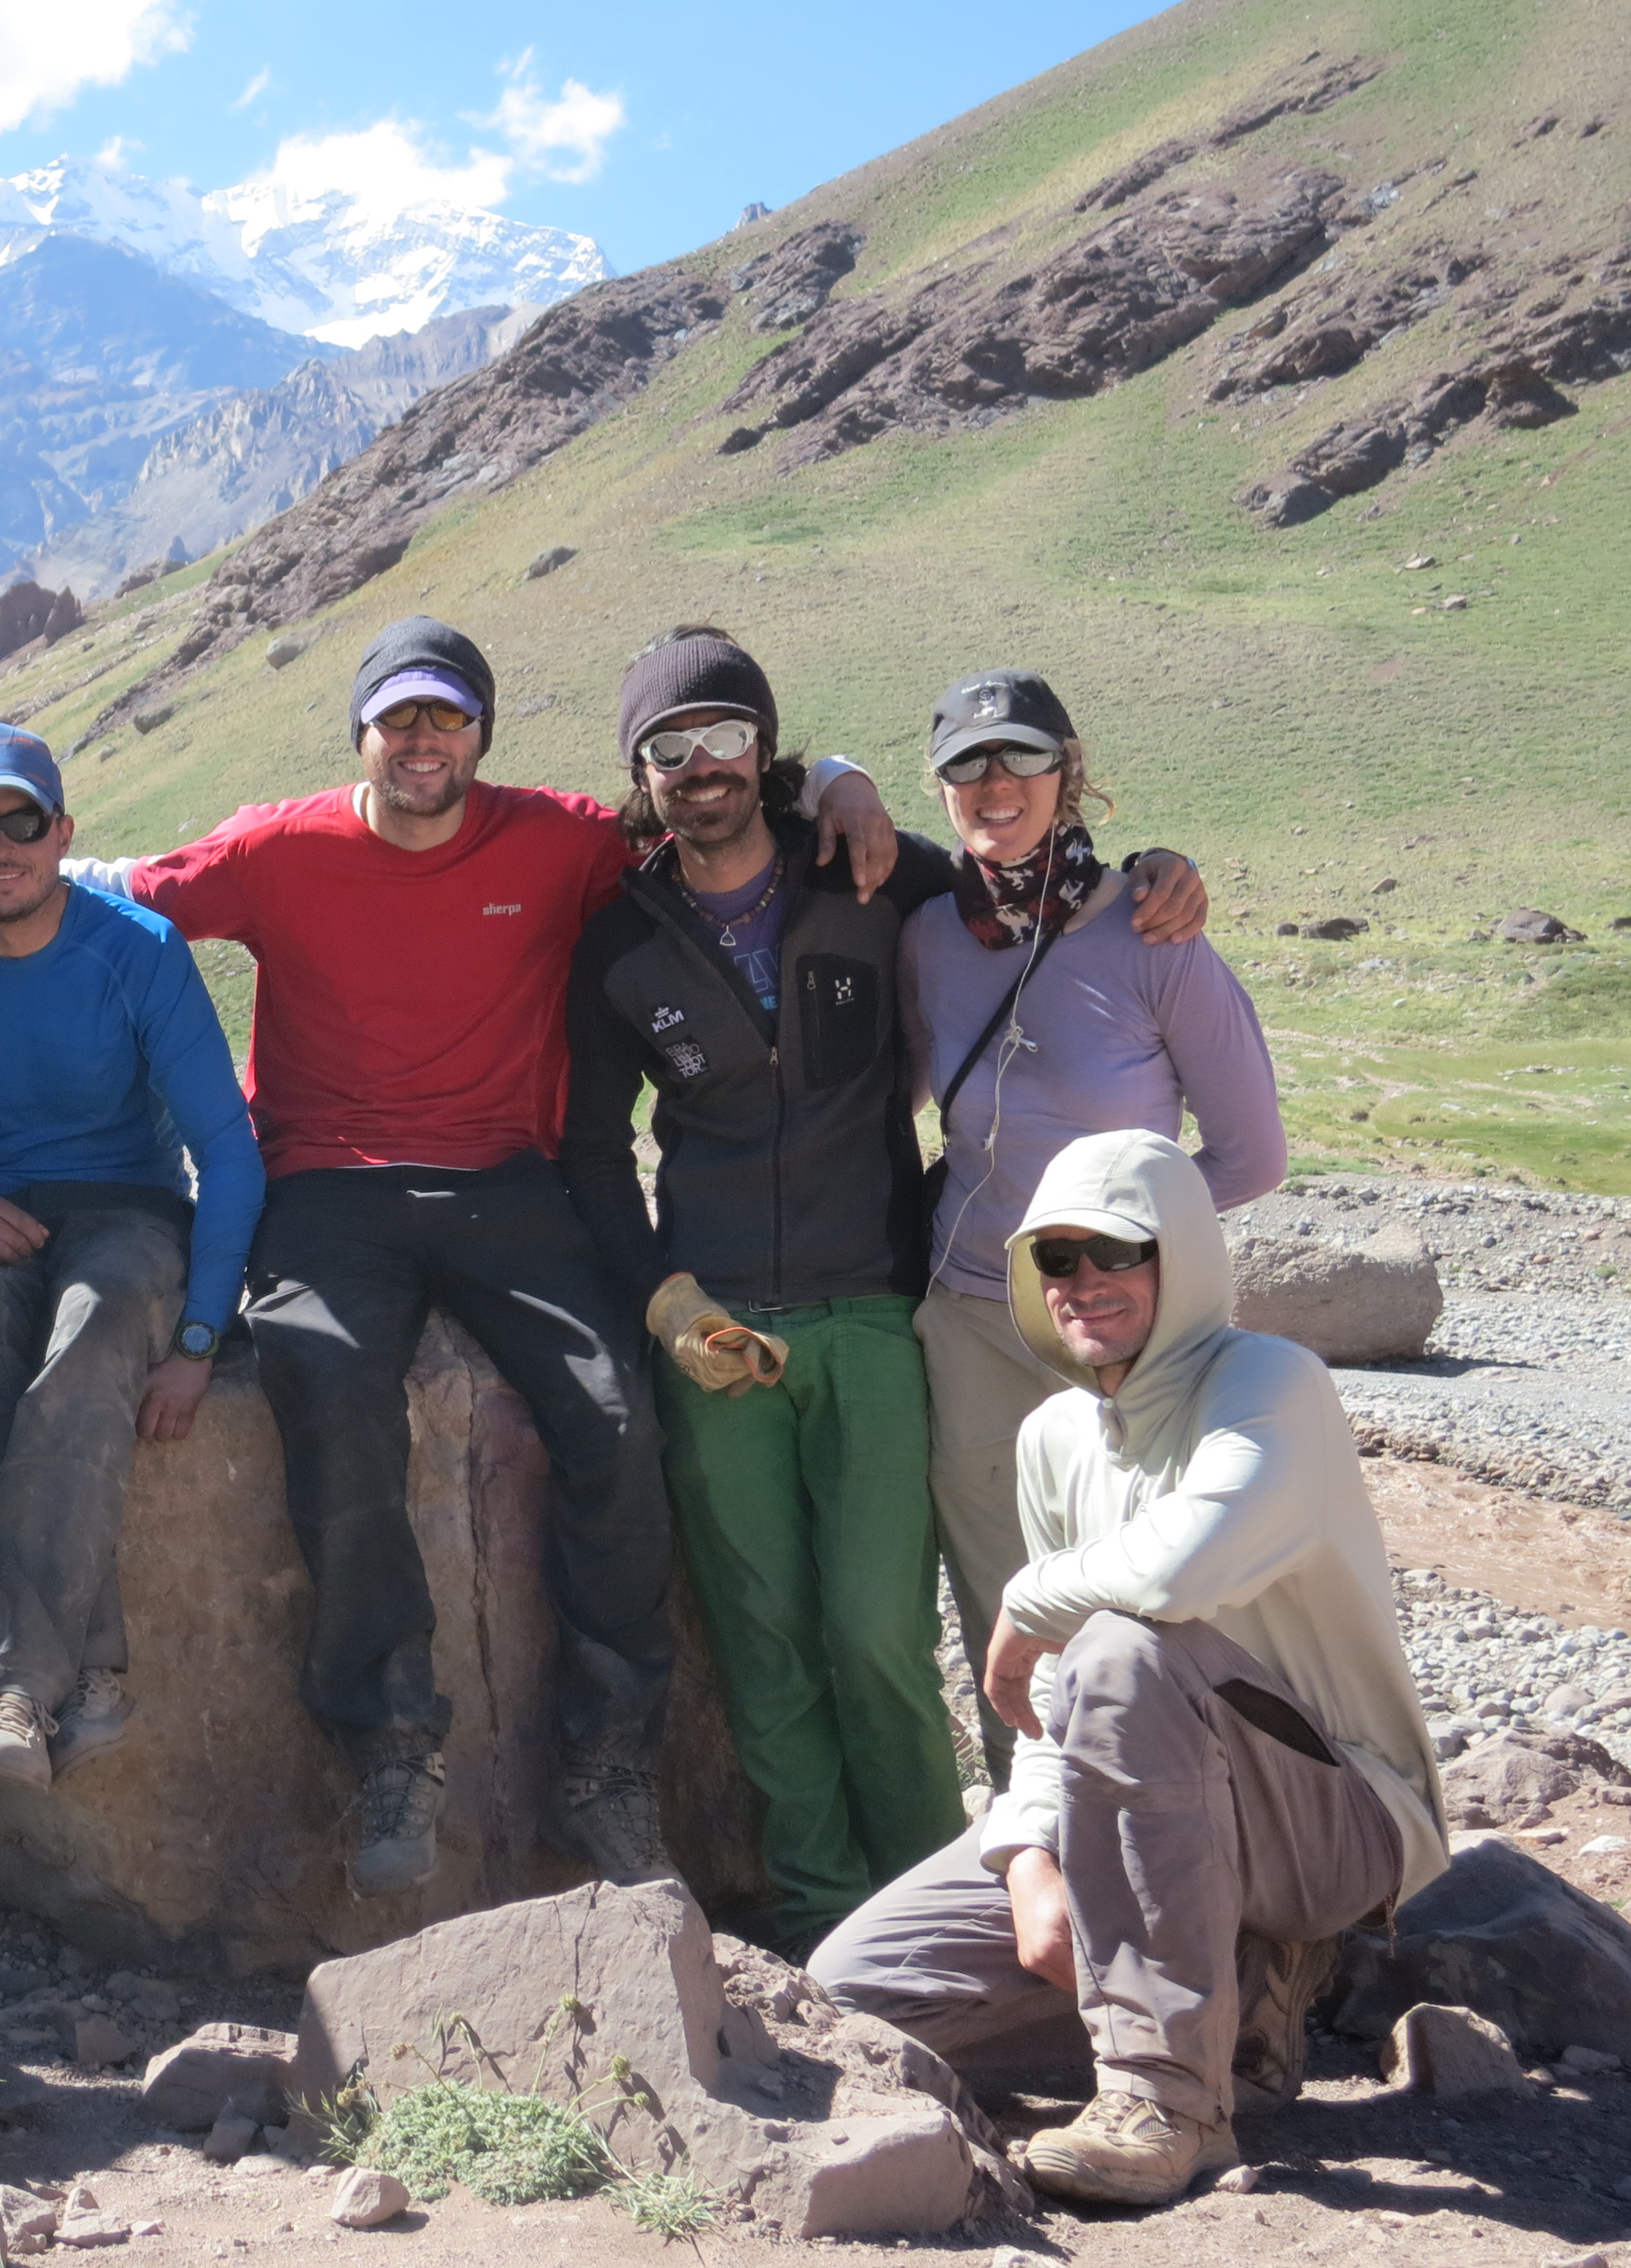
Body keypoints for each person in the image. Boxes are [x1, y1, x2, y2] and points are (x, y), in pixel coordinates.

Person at [0, 615, 904, 1898]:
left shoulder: (562, 840)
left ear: (481, 732)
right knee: (327, 1386)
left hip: (510, 1183)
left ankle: (609, 1759)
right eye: (398, 716)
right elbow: (117, 885)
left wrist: (843, 775)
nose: (423, 739)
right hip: (327, 1185)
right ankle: (389, 1746)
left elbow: (706, 811)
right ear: (359, 734)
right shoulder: (281, 847)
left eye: (447, 716)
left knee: (613, 1413)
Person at [563, 627, 1210, 1957]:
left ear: (765, 748)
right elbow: (586, 1148)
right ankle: (819, 1915)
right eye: (670, 747)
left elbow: (1028, 872)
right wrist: (664, 1299)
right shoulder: (617, 939)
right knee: (764, 1644)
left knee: (875, 1635)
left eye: (726, 736)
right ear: (642, 772)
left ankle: (936, 1908)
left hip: (871, 1310)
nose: (701, 765)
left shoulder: (869, 875)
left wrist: (1156, 870)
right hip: (715, 1328)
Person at [811, 1131, 1445, 2208]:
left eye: (1117, 1251)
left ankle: (1169, 2105)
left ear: (1181, 1258)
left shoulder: (1269, 1384)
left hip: (1337, 1821)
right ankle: (1231, 2011)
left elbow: (1182, 1569)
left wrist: (1028, 1600)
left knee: (1122, 1644)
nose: (1084, 1281)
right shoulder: (1055, 1436)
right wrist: (1027, 1860)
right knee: (856, 1995)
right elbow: (1049, 1705)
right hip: (1138, 1804)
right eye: (1056, 1258)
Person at [901, 668, 1284, 1781]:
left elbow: (1253, 1156)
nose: (995, 782)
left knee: (1142, 1596)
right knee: (1002, 1606)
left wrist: (1118, 1245)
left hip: (1122, 1330)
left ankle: (1169, 1817)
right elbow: (911, 1099)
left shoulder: (1156, 933)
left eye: (1021, 755)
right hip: (972, 1319)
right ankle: (1032, 1823)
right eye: (967, 764)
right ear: (940, 788)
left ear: (1068, 772)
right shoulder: (927, 936)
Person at [0, 723, 263, 1787]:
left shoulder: (137, 950)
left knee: (102, 1311)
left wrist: (198, 1337)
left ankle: (12, 1691)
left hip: (128, 1209)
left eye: (24, 822)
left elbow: (228, 1155)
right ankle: (80, 1676)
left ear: (63, 832)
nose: (2, 848)